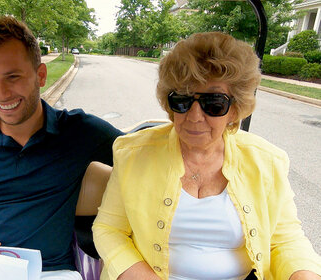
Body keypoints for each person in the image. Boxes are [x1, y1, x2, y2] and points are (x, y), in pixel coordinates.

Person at [92, 32, 321, 280]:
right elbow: (109, 229)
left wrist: (303, 275)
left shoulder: (267, 161)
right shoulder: (133, 154)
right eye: (182, 100)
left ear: (234, 109)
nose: (194, 116)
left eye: (214, 103)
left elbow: (286, 240)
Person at [0, 15, 123, 280]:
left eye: (12, 77)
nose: (1, 94)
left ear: (40, 75)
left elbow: (141, 154)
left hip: (51, 272)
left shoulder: (80, 132)